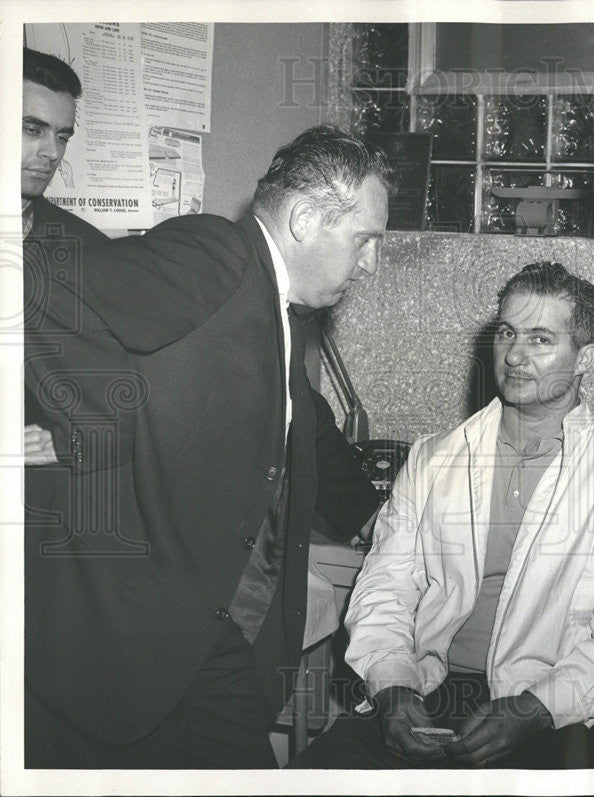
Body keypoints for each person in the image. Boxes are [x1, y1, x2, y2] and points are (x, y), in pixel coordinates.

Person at [23, 126, 396, 768]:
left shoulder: (278, 306)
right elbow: (48, 284)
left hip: (213, 633)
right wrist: (84, 429)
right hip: (136, 637)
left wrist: (375, 514)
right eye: (365, 240)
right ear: (305, 218)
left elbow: (301, 426)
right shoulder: (216, 253)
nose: (369, 264)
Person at [290, 261, 594, 769]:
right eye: (507, 333)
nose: (514, 355)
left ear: (585, 358)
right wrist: (392, 687)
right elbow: (385, 588)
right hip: (428, 690)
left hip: (554, 704)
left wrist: (537, 708)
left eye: (541, 340)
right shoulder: (434, 457)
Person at [22, 47, 108, 466]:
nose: (52, 153)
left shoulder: (87, 248)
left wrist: (72, 442)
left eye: (62, 135)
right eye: (32, 129)